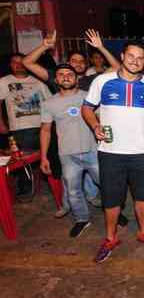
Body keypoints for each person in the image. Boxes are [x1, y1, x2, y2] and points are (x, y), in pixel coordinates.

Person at [82, 40, 144, 263]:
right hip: (110, 152)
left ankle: (143, 233)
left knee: (143, 197)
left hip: (142, 153)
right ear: (122, 56)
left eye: (140, 58)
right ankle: (110, 238)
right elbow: (87, 108)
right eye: (131, 56)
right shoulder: (103, 81)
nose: (135, 61)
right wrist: (95, 126)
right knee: (112, 199)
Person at [40, 63, 100, 237]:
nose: (65, 77)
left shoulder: (89, 97)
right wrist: (44, 157)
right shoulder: (49, 103)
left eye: (69, 74)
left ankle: (115, 212)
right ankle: (82, 219)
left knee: (106, 183)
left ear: (76, 78)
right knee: (73, 191)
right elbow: (45, 130)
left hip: (93, 150)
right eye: (61, 74)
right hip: (67, 155)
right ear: (56, 79)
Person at [0, 53, 52, 195]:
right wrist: (1, 123)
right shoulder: (4, 81)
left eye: (20, 62)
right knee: (22, 159)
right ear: (10, 65)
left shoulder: (38, 81)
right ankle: (25, 188)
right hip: (19, 128)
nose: (18, 65)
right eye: (14, 62)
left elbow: (50, 101)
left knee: (43, 156)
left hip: (42, 126)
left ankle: (44, 183)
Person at [23, 29, 120, 92]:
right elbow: (27, 62)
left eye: (82, 61)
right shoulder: (58, 78)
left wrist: (101, 47)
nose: (78, 63)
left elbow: (117, 67)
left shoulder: (92, 80)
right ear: (68, 63)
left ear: (86, 65)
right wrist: (44, 46)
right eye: (74, 61)